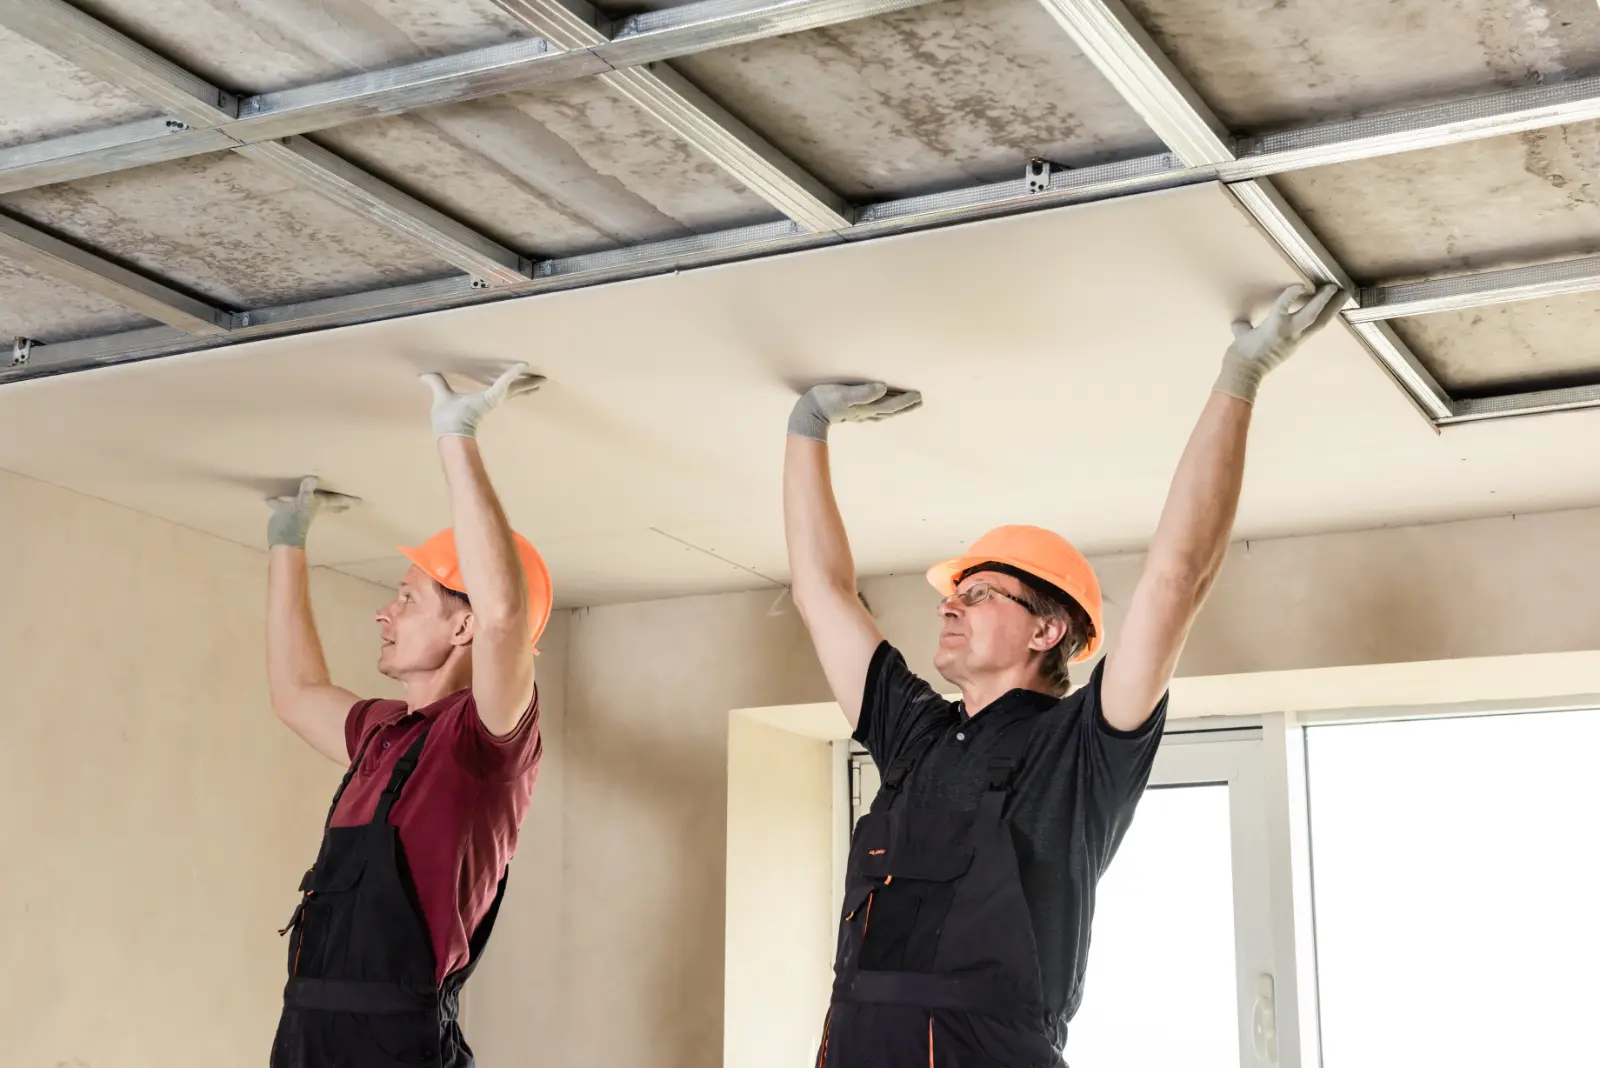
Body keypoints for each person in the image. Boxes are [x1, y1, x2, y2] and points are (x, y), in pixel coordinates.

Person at [785, 284, 1343, 1067]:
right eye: (952, 593)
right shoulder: (916, 734)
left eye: (979, 594)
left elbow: (1175, 579)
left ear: (1048, 630)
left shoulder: (1084, 747)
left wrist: (1241, 378)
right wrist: (807, 427)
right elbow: (821, 593)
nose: (951, 605)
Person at [264, 363, 551, 1068]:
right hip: (304, 1034)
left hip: (395, 1045)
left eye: (408, 598)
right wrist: (286, 541)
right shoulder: (383, 735)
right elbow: (297, 693)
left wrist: (457, 436)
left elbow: (505, 614)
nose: (384, 613)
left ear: (464, 629)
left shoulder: (485, 742)